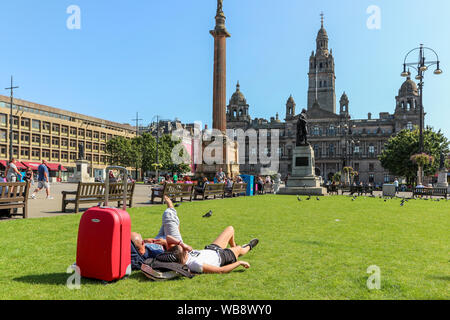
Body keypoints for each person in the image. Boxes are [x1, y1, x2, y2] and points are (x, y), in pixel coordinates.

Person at [170, 226, 259, 274]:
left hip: (212, 248)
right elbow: (221, 270)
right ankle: (249, 246)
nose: (186, 250)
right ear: (182, 256)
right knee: (240, 249)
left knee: (230, 229)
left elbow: (168, 238)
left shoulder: (178, 255)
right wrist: (239, 263)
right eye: (184, 250)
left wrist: (181, 244)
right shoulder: (195, 264)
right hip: (222, 257)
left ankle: (234, 250)